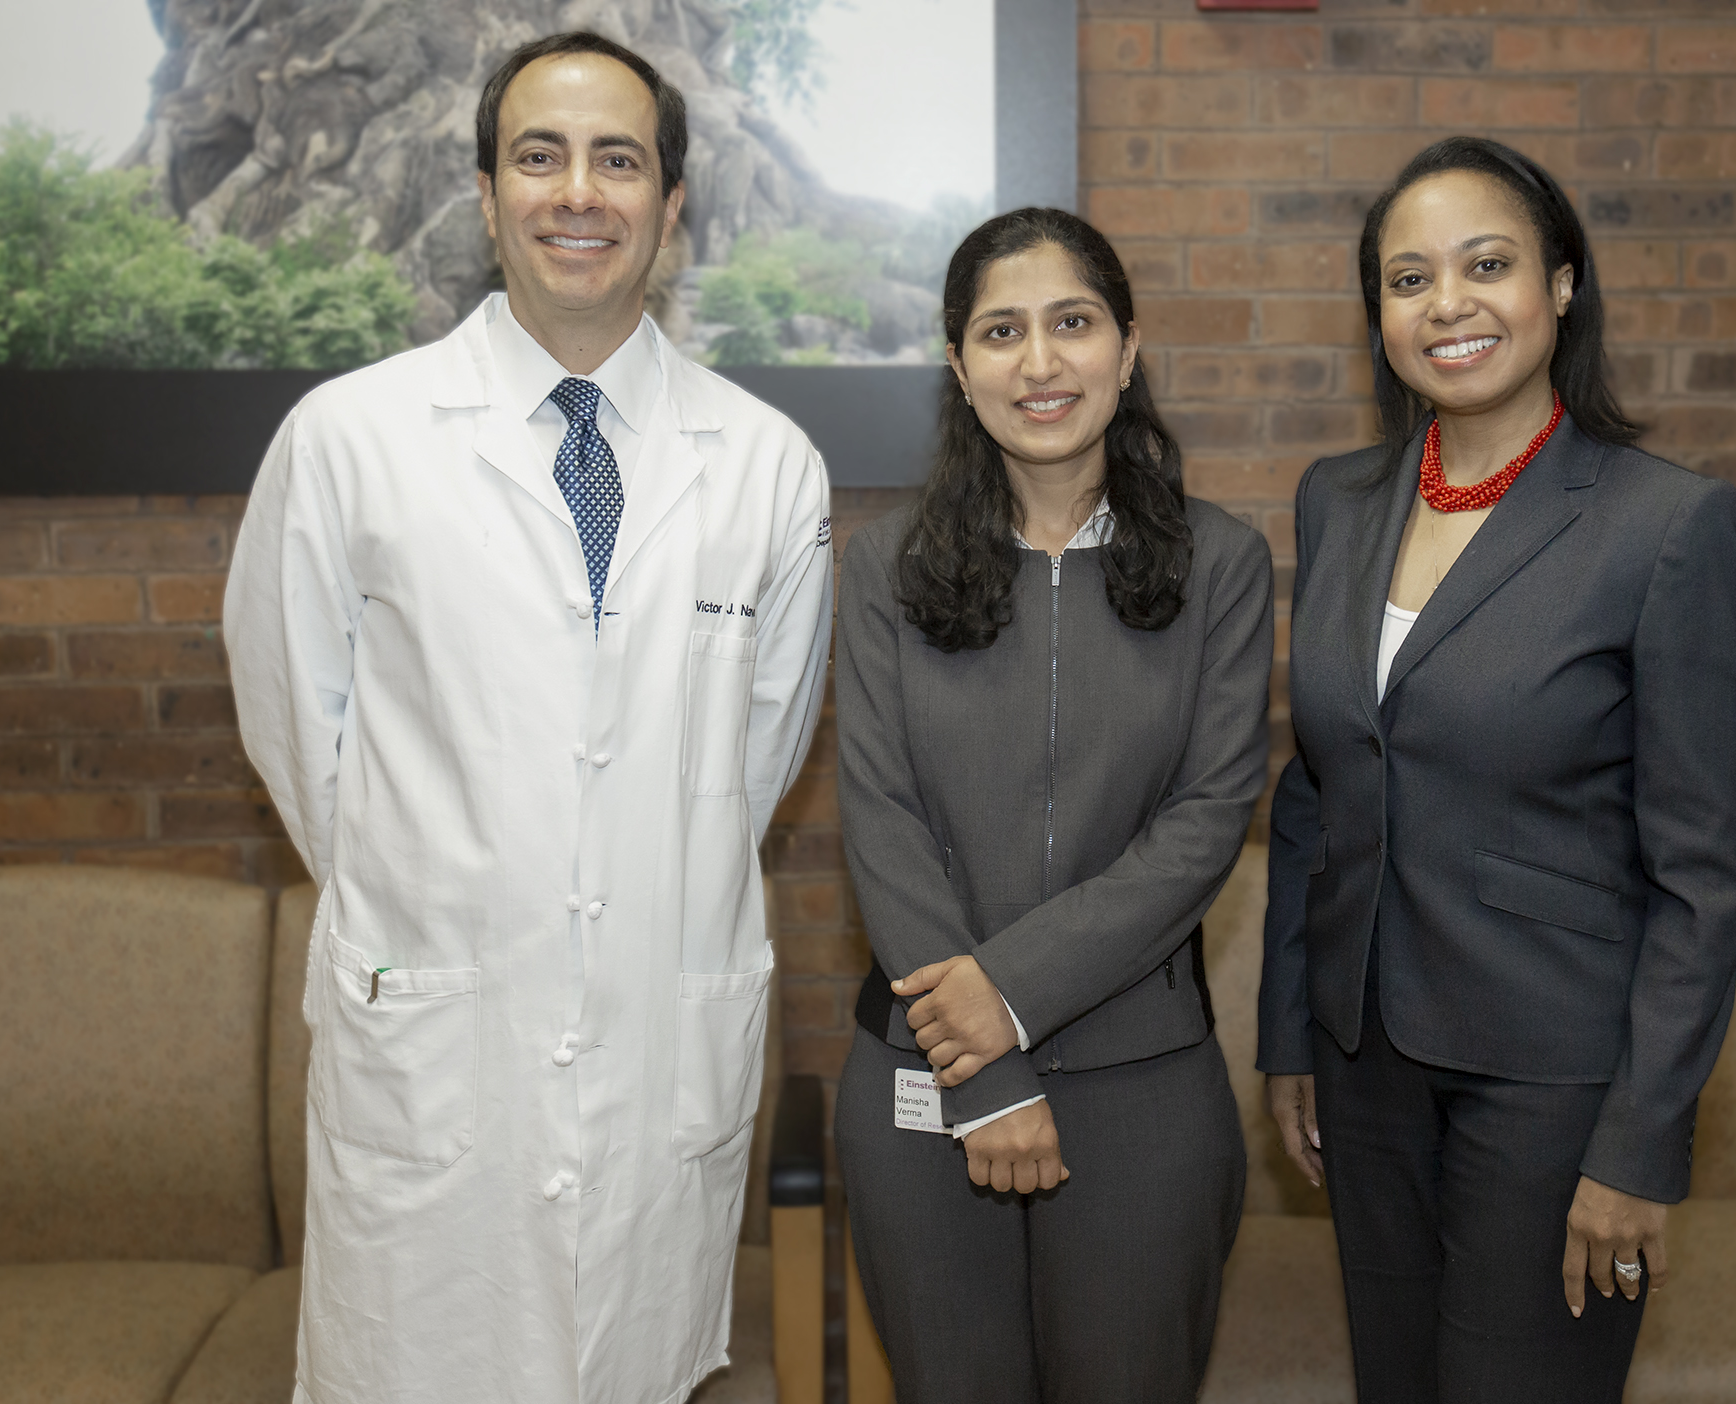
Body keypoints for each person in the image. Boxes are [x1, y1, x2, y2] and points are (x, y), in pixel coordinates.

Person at [224, 32, 832, 1404]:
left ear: (672, 204)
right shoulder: (350, 439)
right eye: (539, 156)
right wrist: (443, 889)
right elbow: (298, 735)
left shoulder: (766, 470)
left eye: (619, 160)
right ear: (487, 193)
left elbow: (747, 767)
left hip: (652, 1058)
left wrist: (605, 867)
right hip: (437, 1059)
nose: (579, 192)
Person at [1257, 135, 1736, 1402]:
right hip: (1365, 1066)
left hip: (1553, 1083)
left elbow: (1702, 875)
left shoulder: (1666, 525)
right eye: (1408, 278)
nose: (1449, 305)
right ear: (1378, 314)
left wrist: (1643, 1145)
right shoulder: (1339, 500)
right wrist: (1290, 1039)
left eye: (1487, 265)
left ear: (1565, 284)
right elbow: (1317, 788)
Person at [833, 207, 1271, 1403]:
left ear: (1127, 350)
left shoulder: (1222, 565)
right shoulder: (879, 569)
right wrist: (986, 1068)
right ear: (959, 366)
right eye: (1002, 331)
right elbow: (879, 816)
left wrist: (1007, 997)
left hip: (1144, 1092)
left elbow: (1205, 819)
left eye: (1072, 324)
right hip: (924, 1089)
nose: (1040, 363)